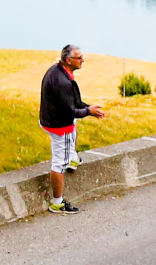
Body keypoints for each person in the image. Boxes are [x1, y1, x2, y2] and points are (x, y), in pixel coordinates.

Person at [37, 43, 105, 214]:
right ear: (69, 60)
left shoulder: (56, 71)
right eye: (79, 57)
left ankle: (72, 157)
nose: (83, 60)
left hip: (47, 120)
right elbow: (71, 111)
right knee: (59, 164)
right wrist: (89, 111)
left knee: (72, 131)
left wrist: (87, 107)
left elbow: (72, 103)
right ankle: (57, 203)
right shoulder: (63, 83)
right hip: (60, 126)